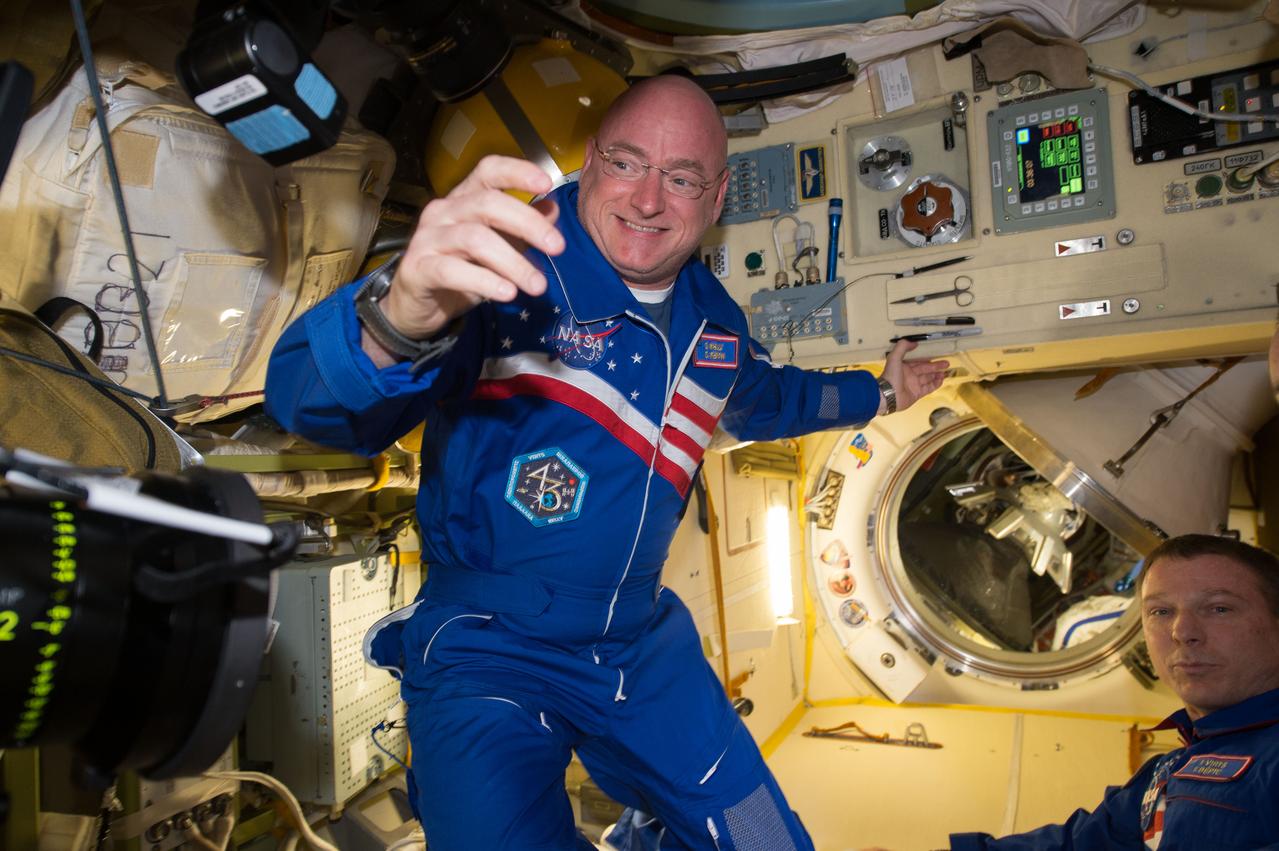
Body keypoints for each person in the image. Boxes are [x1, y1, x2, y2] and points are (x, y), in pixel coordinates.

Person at [265, 75, 948, 850]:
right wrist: (398, 317)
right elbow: (310, 407)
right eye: (626, 164)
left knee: (766, 841)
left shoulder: (713, 323)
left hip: (639, 647)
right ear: (590, 160)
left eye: (681, 178)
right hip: (488, 644)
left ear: (717, 196)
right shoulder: (504, 275)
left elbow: (771, 401)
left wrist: (881, 394)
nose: (648, 201)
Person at [943, 534, 1279, 850]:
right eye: (1161, 612)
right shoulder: (1172, 767)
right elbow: (1081, 844)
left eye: (1219, 608)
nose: (1182, 631)